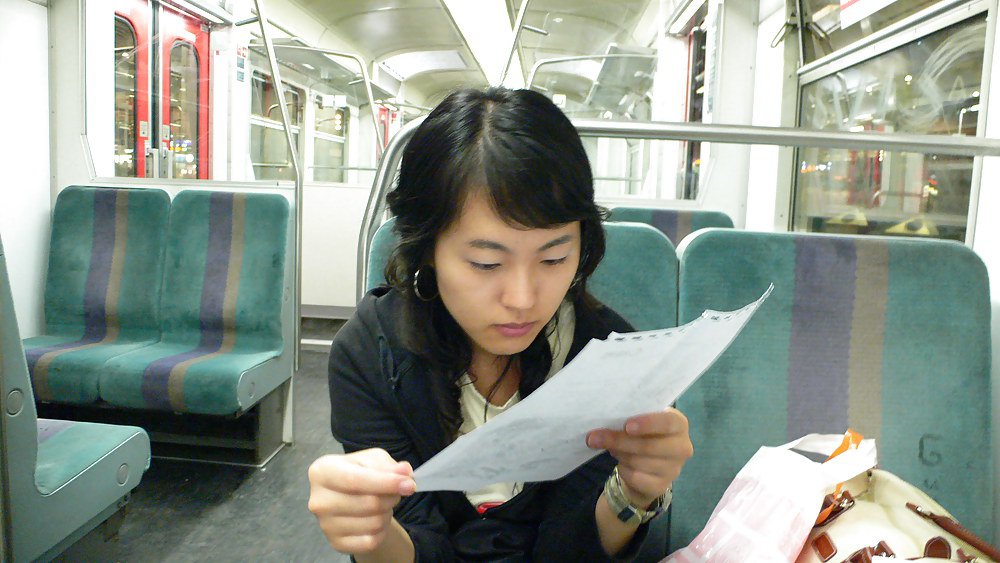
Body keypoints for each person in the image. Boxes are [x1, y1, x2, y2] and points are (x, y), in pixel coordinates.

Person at [307, 87, 693, 561]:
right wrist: (371, 529)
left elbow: (572, 551)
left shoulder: (613, 360)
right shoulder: (370, 355)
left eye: (554, 258)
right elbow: (414, 540)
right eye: (486, 264)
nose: (523, 299)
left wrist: (634, 492)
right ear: (427, 248)